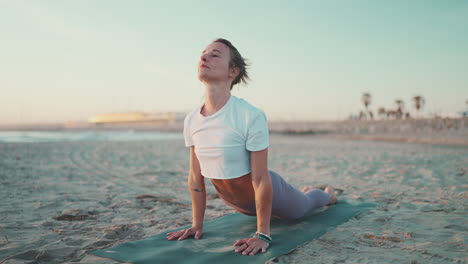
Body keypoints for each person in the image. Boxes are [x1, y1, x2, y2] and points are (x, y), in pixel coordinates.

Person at [166, 38, 338, 256]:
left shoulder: (249, 115)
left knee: (305, 205)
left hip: (271, 193)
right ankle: (307, 192)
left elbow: (260, 179)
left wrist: (262, 234)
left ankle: (327, 194)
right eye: (203, 53)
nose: (204, 57)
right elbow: (195, 178)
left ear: (233, 71)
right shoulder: (191, 119)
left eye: (215, 54)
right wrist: (197, 225)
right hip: (241, 205)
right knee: (293, 203)